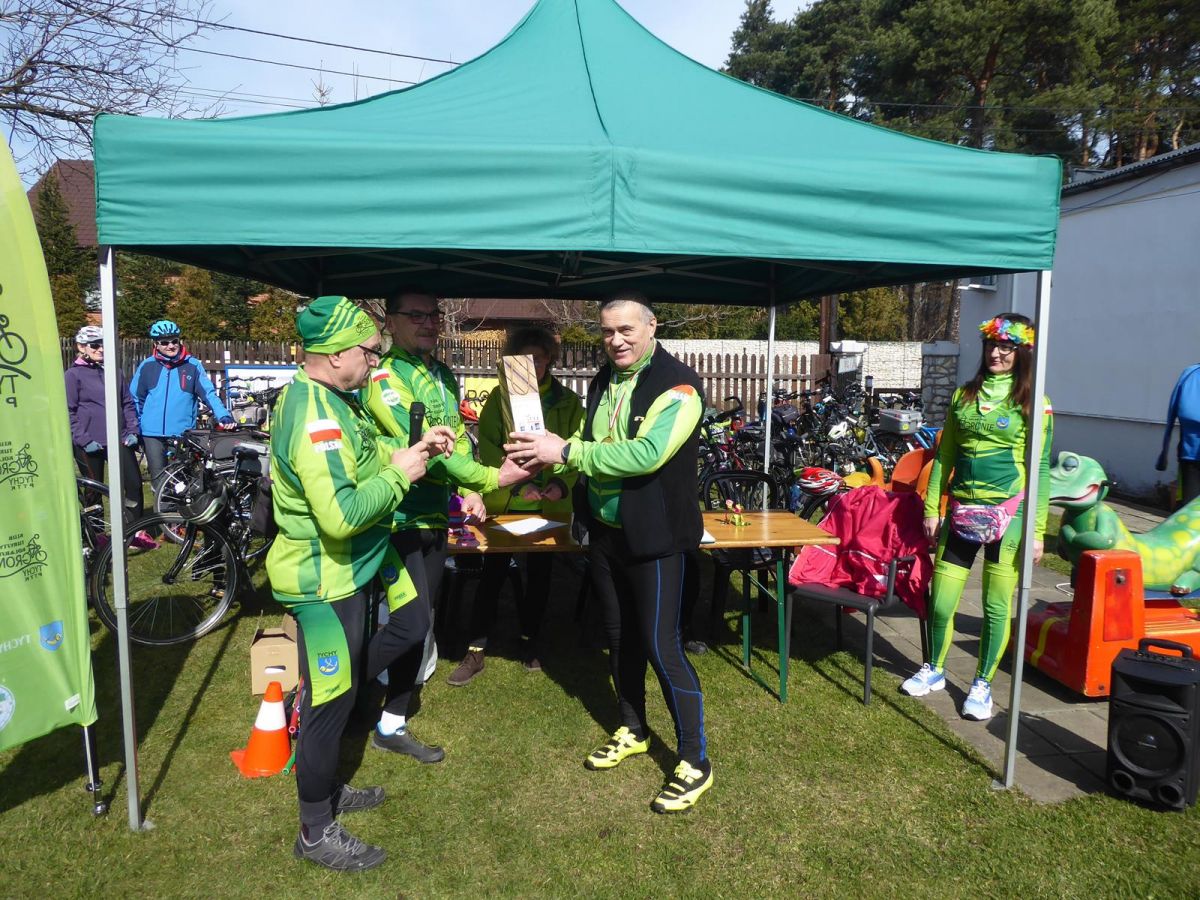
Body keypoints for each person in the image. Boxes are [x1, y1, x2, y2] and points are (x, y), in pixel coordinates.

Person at [267, 295, 455, 872]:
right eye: (370, 352)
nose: (376, 362)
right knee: (330, 705)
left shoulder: (332, 398)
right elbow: (342, 514)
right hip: (324, 582)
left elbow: (363, 462)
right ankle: (314, 830)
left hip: (351, 570)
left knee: (404, 630)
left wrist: (412, 451)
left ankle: (326, 787)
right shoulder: (317, 418)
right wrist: (400, 476)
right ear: (336, 353)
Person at [505, 293, 713, 814]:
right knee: (619, 638)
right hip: (604, 533)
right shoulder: (604, 379)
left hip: (654, 539)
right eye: (606, 331)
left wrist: (565, 451)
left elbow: (646, 455)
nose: (615, 341)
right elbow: (588, 442)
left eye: (626, 330)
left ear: (652, 325)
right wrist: (558, 476)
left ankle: (695, 759)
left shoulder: (680, 386)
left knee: (662, 646)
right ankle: (634, 728)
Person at [361, 287, 526, 761]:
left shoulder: (443, 374)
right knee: (410, 623)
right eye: (415, 315)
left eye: (433, 315)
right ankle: (329, 692)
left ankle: (391, 722)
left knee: (422, 621)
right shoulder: (386, 377)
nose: (428, 323)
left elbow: (457, 439)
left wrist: (470, 490)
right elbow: (426, 448)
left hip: (436, 516)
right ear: (390, 321)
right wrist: (490, 478)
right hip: (397, 518)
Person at [901, 313, 1053, 721]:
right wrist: (933, 508)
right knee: (940, 602)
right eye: (992, 345)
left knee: (996, 606)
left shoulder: (1035, 403)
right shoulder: (963, 396)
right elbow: (945, 455)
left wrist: (1037, 530)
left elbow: (1040, 468)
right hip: (962, 514)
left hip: (1010, 515)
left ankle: (982, 684)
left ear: (1022, 352)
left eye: (1006, 347)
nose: (997, 353)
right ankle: (934, 668)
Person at [447, 326, 584, 685]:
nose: (532, 366)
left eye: (538, 358)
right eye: (524, 359)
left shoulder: (568, 402)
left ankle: (530, 641)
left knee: (540, 577)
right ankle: (476, 648)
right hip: (506, 504)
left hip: (548, 509)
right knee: (491, 576)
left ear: (550, 359)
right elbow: (490, 447)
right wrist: (517, 484)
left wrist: (558, 484)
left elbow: (575, 450)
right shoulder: (499, 398)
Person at [65, 325, 157, 550]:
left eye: (104, 344)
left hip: (119, 439)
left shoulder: (114, 372)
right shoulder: (73, 375)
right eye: (95, 345)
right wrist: (84, 440)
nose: (101, 349)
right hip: (89, 443)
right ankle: (96, 535)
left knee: (133, 484)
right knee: (93, 491)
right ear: (81, 347)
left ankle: (134, 532)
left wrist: (132, 431)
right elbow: (69, 411)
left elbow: (127, 403)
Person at [130, 319, 236, 492]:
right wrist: (137, 426)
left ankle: (179, 509)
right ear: (156, 344)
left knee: (181, 481)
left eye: (174, 341)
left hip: (181, 432)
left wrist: (223, 415)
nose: (171, 346)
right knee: (158, 481)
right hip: (152, 433)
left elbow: (208, 393)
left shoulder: (192, 365)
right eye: (165, 343)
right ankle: (162, 509)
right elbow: (135, 398)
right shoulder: (147, 365)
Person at [1156, 363, 1200, 507]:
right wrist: (1163, 455)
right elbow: (1182, 412)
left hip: (1190, 453)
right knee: (1190, 508)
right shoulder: (1191, 374)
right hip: (1191, 456)